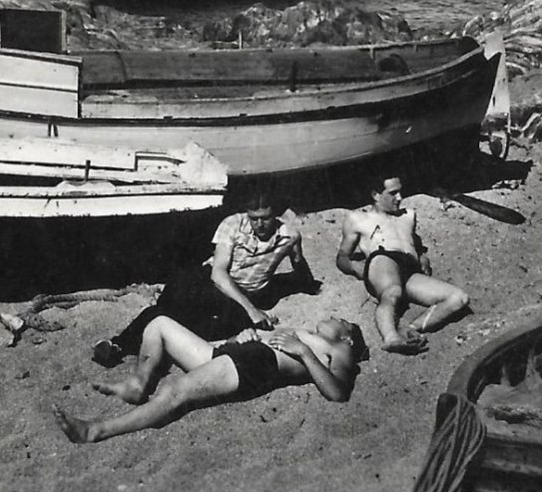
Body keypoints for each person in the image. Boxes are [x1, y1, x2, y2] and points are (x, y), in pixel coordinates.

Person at [55, 314, 365, 444]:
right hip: (240, 353)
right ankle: (138, 384)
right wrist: (251, 335)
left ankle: (96, 430)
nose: (332, 317)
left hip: (258, 365)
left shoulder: (340, 353)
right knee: (159, 323)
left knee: (175, 390)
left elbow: (337, 393)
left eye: (340, 320)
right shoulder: (316, 336)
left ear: (348, 338)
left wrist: (304, 353)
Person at [91, 189, 316, 367]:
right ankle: (128, 340)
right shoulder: (233, 224)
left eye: (265, 218)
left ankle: (118, 345)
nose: (258, 225)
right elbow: (218, 273)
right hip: (213, 280)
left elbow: (298, 264)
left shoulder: (290, 236)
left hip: (240, 293)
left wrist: (307, 283)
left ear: (275, 214)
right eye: (254, 218)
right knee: (181, 280)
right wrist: (252, 310)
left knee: (174, 316)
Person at [336, 174, 470, 355]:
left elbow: (413, 243)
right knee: (392, 292)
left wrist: (421, 256)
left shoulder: (408, 216)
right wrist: (356, 268)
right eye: (393, 193)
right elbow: (342, 256)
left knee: (458, 297)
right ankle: (391, 338)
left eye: (400, 192)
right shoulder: (358, 219)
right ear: (375, 194)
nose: (399, 198)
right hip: (383, 259)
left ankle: (411, 327)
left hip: (409, 269)